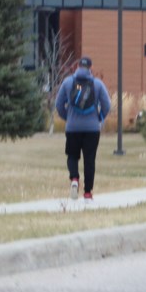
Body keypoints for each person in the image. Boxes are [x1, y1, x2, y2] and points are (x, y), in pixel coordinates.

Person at [55, 56, 111, 201]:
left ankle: (74, 178)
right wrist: (99, 117)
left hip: (73, 128)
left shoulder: (68, 82)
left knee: (72, 156)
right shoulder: (97, 84)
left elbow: (59, 104)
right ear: (91, 68)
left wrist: (68, 117)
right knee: (89, 160)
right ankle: (87, 193)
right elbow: (107, 105)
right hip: (92, 129)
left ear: (77, 67)